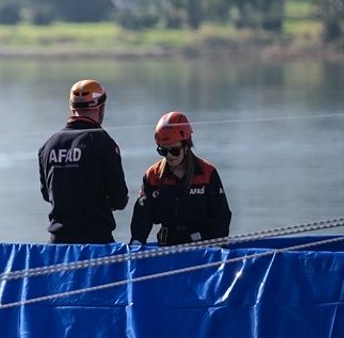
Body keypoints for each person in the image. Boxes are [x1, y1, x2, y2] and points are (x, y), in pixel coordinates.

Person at [38, 79, 129, 244]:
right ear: (100, 108)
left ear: (72, 107)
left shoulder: (48, 145)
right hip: (96, 241)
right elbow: (119, 199)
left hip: (58, 243)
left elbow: (47, 194)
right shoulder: (103, 143)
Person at [130, 112, 231, 246]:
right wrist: (136, 242)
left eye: (175, 150)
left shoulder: (208, 173)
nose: (170, 156)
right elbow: (142, 217)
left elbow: (221, 215)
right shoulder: (152, 176)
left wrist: (216, 247)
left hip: (203, 249)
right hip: (167, 248)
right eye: (163, 151)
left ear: (187, 145)